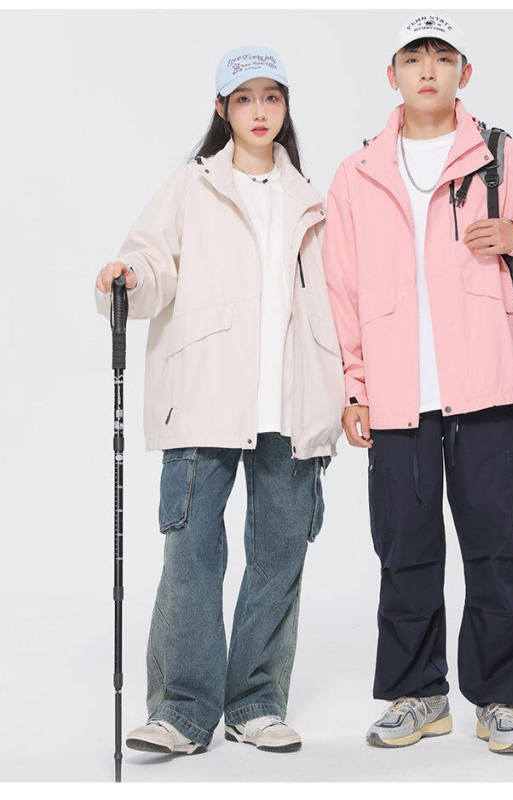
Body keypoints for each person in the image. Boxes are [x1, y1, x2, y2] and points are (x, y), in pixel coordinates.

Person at [322, 14, 513, 753]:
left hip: (486, 390)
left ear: (463, 73)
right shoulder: (356, 174)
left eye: (441, 57)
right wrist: (355, 387)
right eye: (413, 57)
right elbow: (341, 290)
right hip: (396, 397)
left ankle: (501, 700)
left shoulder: (499, 156)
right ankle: (418, 696)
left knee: (499, 549)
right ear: (391, 74)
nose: (427, 69)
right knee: (404, 554)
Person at [95, 45, 344, 756]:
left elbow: (341, 301)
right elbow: (150, 263)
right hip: (203, 400)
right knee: (192, 558)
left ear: (285, 106)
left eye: (272, 97)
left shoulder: (313, 199)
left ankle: (257, 702)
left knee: (277, 560)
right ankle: (182, 710)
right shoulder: (191, 186)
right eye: (244, 99)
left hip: (293, 407)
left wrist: (349, 390)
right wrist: (127, 277)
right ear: (221, 109)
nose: (259, 111)